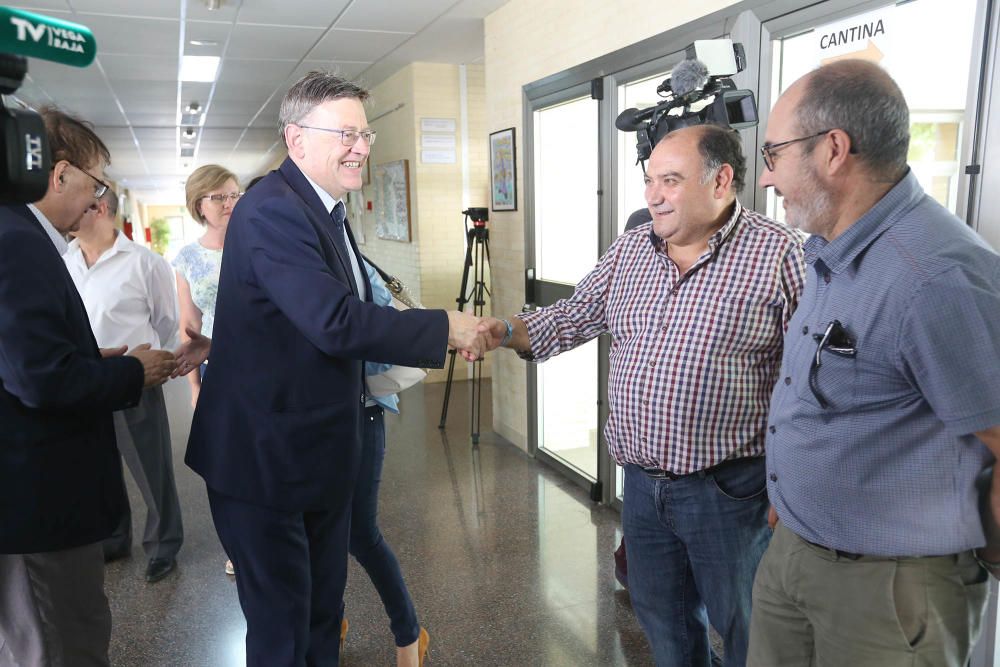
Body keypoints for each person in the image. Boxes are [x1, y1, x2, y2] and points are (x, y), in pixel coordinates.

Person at [184, 71, 483, 666]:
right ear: (296, 140)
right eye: (345, 133)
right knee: (282, 631)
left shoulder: (325, 208)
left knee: (322, 614)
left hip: (315, 448)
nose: (361, 147)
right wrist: (442, 327)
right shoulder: (272, 209)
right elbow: (334, 320)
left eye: (365, 134)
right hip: (263, 459)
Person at [480, 124, 805, 666]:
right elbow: (571, 317)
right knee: (665, 623)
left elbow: (809, 385)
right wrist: (502, 331)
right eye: (649, 180)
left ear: (721, 179)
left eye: (670, 180)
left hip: (729, 493)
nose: (652, 195)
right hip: (643, 489)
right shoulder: (632, 249)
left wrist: (791, 484)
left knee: (749, 630)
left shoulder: (780, 256)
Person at [748, 59, 1000, 667]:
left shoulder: (936, 276)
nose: (765, 178)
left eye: (774, 152)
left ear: (833, 150)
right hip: (796, 551)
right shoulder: (830, 248)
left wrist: (984, 558)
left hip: (889, 591)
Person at [0, 106, 176, 666]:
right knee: (62, 644)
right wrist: (132, 372)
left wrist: (83, 357)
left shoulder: (20, 233)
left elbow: (23, 357)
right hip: (37, 506)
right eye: (94, 183)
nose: (95, 200)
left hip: (30, 498)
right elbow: (41, 381)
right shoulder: (19, 242)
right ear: (59, 175)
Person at [64, 188, 184, 584]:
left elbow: (167, 320)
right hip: (88, 378)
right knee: (101, 469)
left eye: (76, 204)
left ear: (98, 209)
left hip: (136, 377)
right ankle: (116, 538)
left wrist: (157, 364)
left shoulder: (143, 262)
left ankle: (164, 545)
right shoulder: (67, 260)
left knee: (151, 468)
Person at [347, 261, 429, 667]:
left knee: (360, 533)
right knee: (315, 535)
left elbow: (381, 341)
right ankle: (330, 625)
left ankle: (409, 634)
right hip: (299, 423)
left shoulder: (353, 263)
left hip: (361, 413)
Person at [173, 164, 239, 409]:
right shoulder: (188, 257)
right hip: (213, 361)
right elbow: (190, 324)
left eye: (234, 195)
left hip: (260, 358)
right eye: (218, 197)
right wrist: (195, 386)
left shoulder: (257, 247)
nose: (228, 203)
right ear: (199, 205)